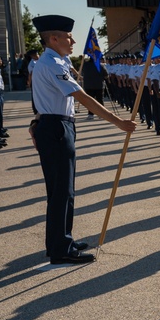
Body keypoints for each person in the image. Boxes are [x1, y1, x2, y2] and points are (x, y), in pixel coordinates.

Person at [29, 15, 136, 264]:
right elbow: (82, 97)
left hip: (56, 125)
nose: (73, 40)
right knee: (61, 191)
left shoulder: (58, 61)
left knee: (63, 190)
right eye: (68, 36)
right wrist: (117, 121)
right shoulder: (52, 63)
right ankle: (60, 249)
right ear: (53, 39)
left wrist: (36, 121)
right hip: (56, 127)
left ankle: (61, 240)